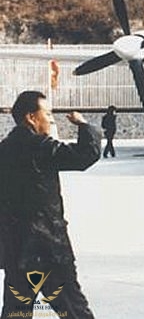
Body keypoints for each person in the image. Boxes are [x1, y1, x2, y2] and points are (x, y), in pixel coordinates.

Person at [0, 90, 101, 318]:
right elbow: (86, 154)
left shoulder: (4, 150)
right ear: (30, 117)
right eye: (47, 113)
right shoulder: (40, 147)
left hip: (17, 249)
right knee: (74, 311)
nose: (51, 118)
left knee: (16, 312)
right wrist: (84, 125)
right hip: (48, 250)